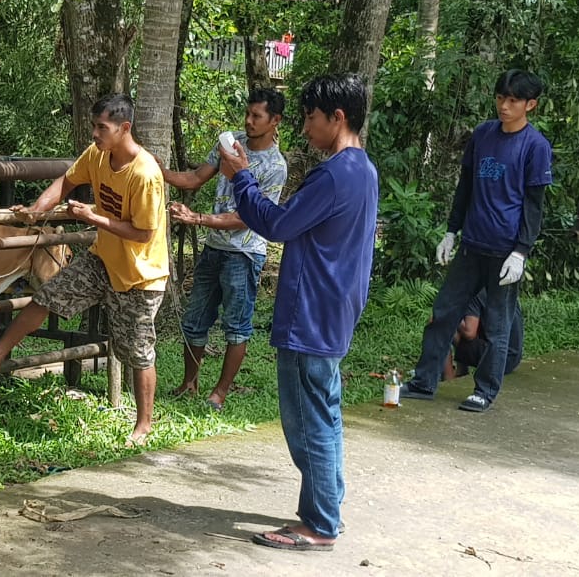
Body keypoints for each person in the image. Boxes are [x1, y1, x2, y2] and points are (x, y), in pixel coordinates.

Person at [218, 73, 378, 552]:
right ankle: (328, 509)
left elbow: (277, 224)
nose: (305, 128)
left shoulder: (335, 174)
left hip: (311, 310)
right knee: (324, 412)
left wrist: (241, 177)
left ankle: (318, 524)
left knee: (308, 420)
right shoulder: (362, 169)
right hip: (334, 307)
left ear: (338, 117)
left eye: (310, 118)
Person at [0, 93, 169, 447]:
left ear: (124, 128)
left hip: (141, 275)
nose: (95, 133)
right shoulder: (97, 155)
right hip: (103, 260)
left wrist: (92, 217)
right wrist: (40, 210)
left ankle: (143, 424)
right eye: (94, 126)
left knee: (138, 350)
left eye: (102, 127)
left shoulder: (145, 174)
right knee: (45, 297)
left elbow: (144, 232)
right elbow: (66, 182)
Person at [402, 70, 552, 412]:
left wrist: (521, 252)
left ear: (530, 104)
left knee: (497, 325)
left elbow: (534, 206)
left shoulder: (535, 147)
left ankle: (484, 390)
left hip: (505, 252)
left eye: (513, 100)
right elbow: (465, 187)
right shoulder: (483, 135)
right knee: (443, 312)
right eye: (501, 98)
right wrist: (451, 232)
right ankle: (425, 382)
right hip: (471, 245)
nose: (504, 105)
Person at [164, 88, 288, 410]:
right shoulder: (229, 142)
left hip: (245, 254)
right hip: (213, 248)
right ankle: (189, 384)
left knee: (236, 326)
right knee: (194, 320)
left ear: (275, 121)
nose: (248, 121)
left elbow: (247, 218)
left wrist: (197, 218)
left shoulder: (275, 166)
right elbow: (194, 178)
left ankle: (219, 392)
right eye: (247, 114)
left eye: (256, 116)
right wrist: (157, 170)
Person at [441, 291, 524, 381]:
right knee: (465, 319)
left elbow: (469, 333)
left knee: (441, 326)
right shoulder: (502, 287)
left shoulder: (475, 292)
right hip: (512, 358)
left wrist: (449, 313)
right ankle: (461, 371)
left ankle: (449, 379)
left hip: (499, 361)